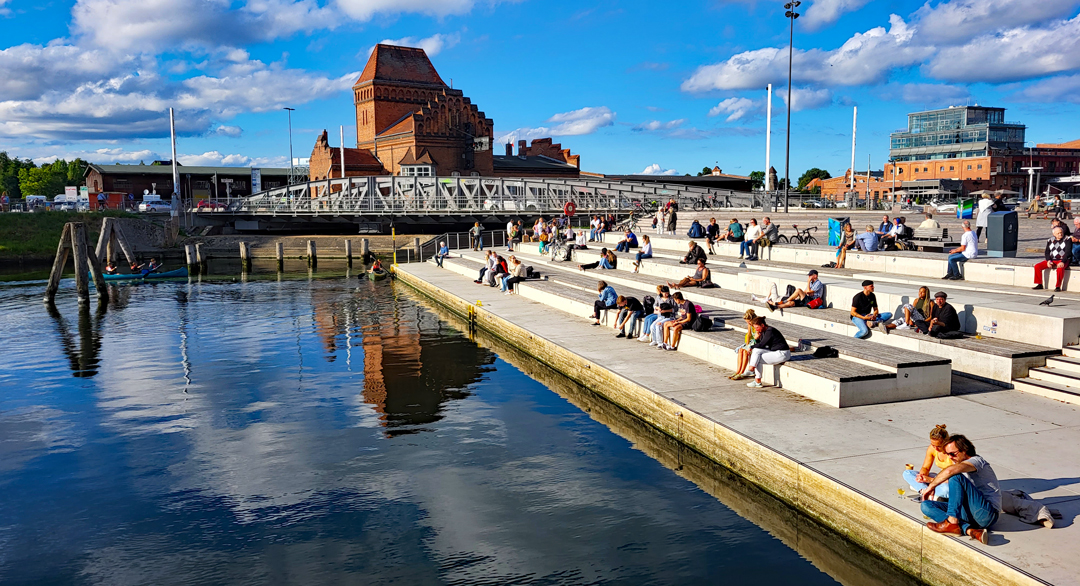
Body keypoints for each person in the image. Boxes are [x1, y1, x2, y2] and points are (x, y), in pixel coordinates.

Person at [921, 434, 1000, 544]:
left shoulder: (977, 461)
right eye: (948, 454)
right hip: (969, 513)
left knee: (955, 476)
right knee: (926, 505)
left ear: (964, 450)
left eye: (952, 454)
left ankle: (952, 522)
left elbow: (950, 472)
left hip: (986, 513)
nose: (950, 457)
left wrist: (930, 487)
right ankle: (970, 530)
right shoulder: (959, 464)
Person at [903, 424, 953, 501]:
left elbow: (956, 479)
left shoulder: (953, 453)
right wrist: (922, 476)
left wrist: (929, 480)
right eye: (933, 445)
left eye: (939, 446)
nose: (936, 448)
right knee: (907, 473)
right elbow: (925, 467)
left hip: (949, 482)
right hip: (938, 478)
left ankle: (924, 491)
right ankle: (927, 493)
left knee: (947, 490)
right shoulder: (932, 449)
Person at [740, 317, 791, 388]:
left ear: (762, 325)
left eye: (757, 327)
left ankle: (755, 375)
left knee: (757, 358)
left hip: (782, 353)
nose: (756, 330)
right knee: (756, 352)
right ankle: (753, 372)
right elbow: (761, 345)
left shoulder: (770, 331)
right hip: (774, 351)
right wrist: (757, 339)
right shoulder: (763, 332)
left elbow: (762, 344)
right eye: (755, 328)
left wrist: (751, 347)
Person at [1034, 225, 1072, 291]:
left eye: (1061, 232)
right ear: (1054, 234)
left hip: (1063, 260)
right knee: (1037, 266)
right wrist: (1048, 260)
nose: (1060, 234)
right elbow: (1047, 252)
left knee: (1060, 268)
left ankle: (1058, 286)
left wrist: (1063, 261)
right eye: (1058, 233)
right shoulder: (1050, 240)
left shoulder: (1067, 239)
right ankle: (1039, 284)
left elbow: (1068, 252)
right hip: (1052, 259)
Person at [730, 309, 759, 380]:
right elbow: (749, 334)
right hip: (752, 342)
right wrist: (747, 344)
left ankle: (742, 373)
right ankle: (738, 371)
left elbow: (757, 338)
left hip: (757, 343)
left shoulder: (757, 325)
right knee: (740, 350)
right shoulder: (750, 324)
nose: (748, 323)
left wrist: (749, 347)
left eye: (749, 322)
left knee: (745, 352)